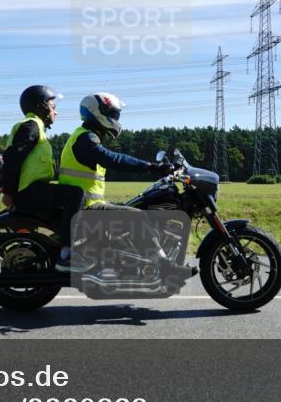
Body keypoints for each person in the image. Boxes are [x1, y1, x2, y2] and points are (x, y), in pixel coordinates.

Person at [57, 92, 187, 276]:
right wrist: (150, 167)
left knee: (132, 208)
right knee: (137, 217)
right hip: (85, 208)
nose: (116, 119)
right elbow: (112, 158)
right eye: (113, 114)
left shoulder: (84, 136)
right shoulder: (85, 139)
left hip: (86, 205)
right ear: (98, 112)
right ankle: (163, 265)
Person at [1, 85, 83, 260]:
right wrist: (7, 192)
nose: (56, 112)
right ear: (42, 107)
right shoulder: (31, 126)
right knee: (75, 194)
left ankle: (57, 252)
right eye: (53, 107)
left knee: (63, 220)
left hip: (34, 190)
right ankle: (67, 252)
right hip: (28, 192)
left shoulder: (37, 128)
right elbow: (12, 159)